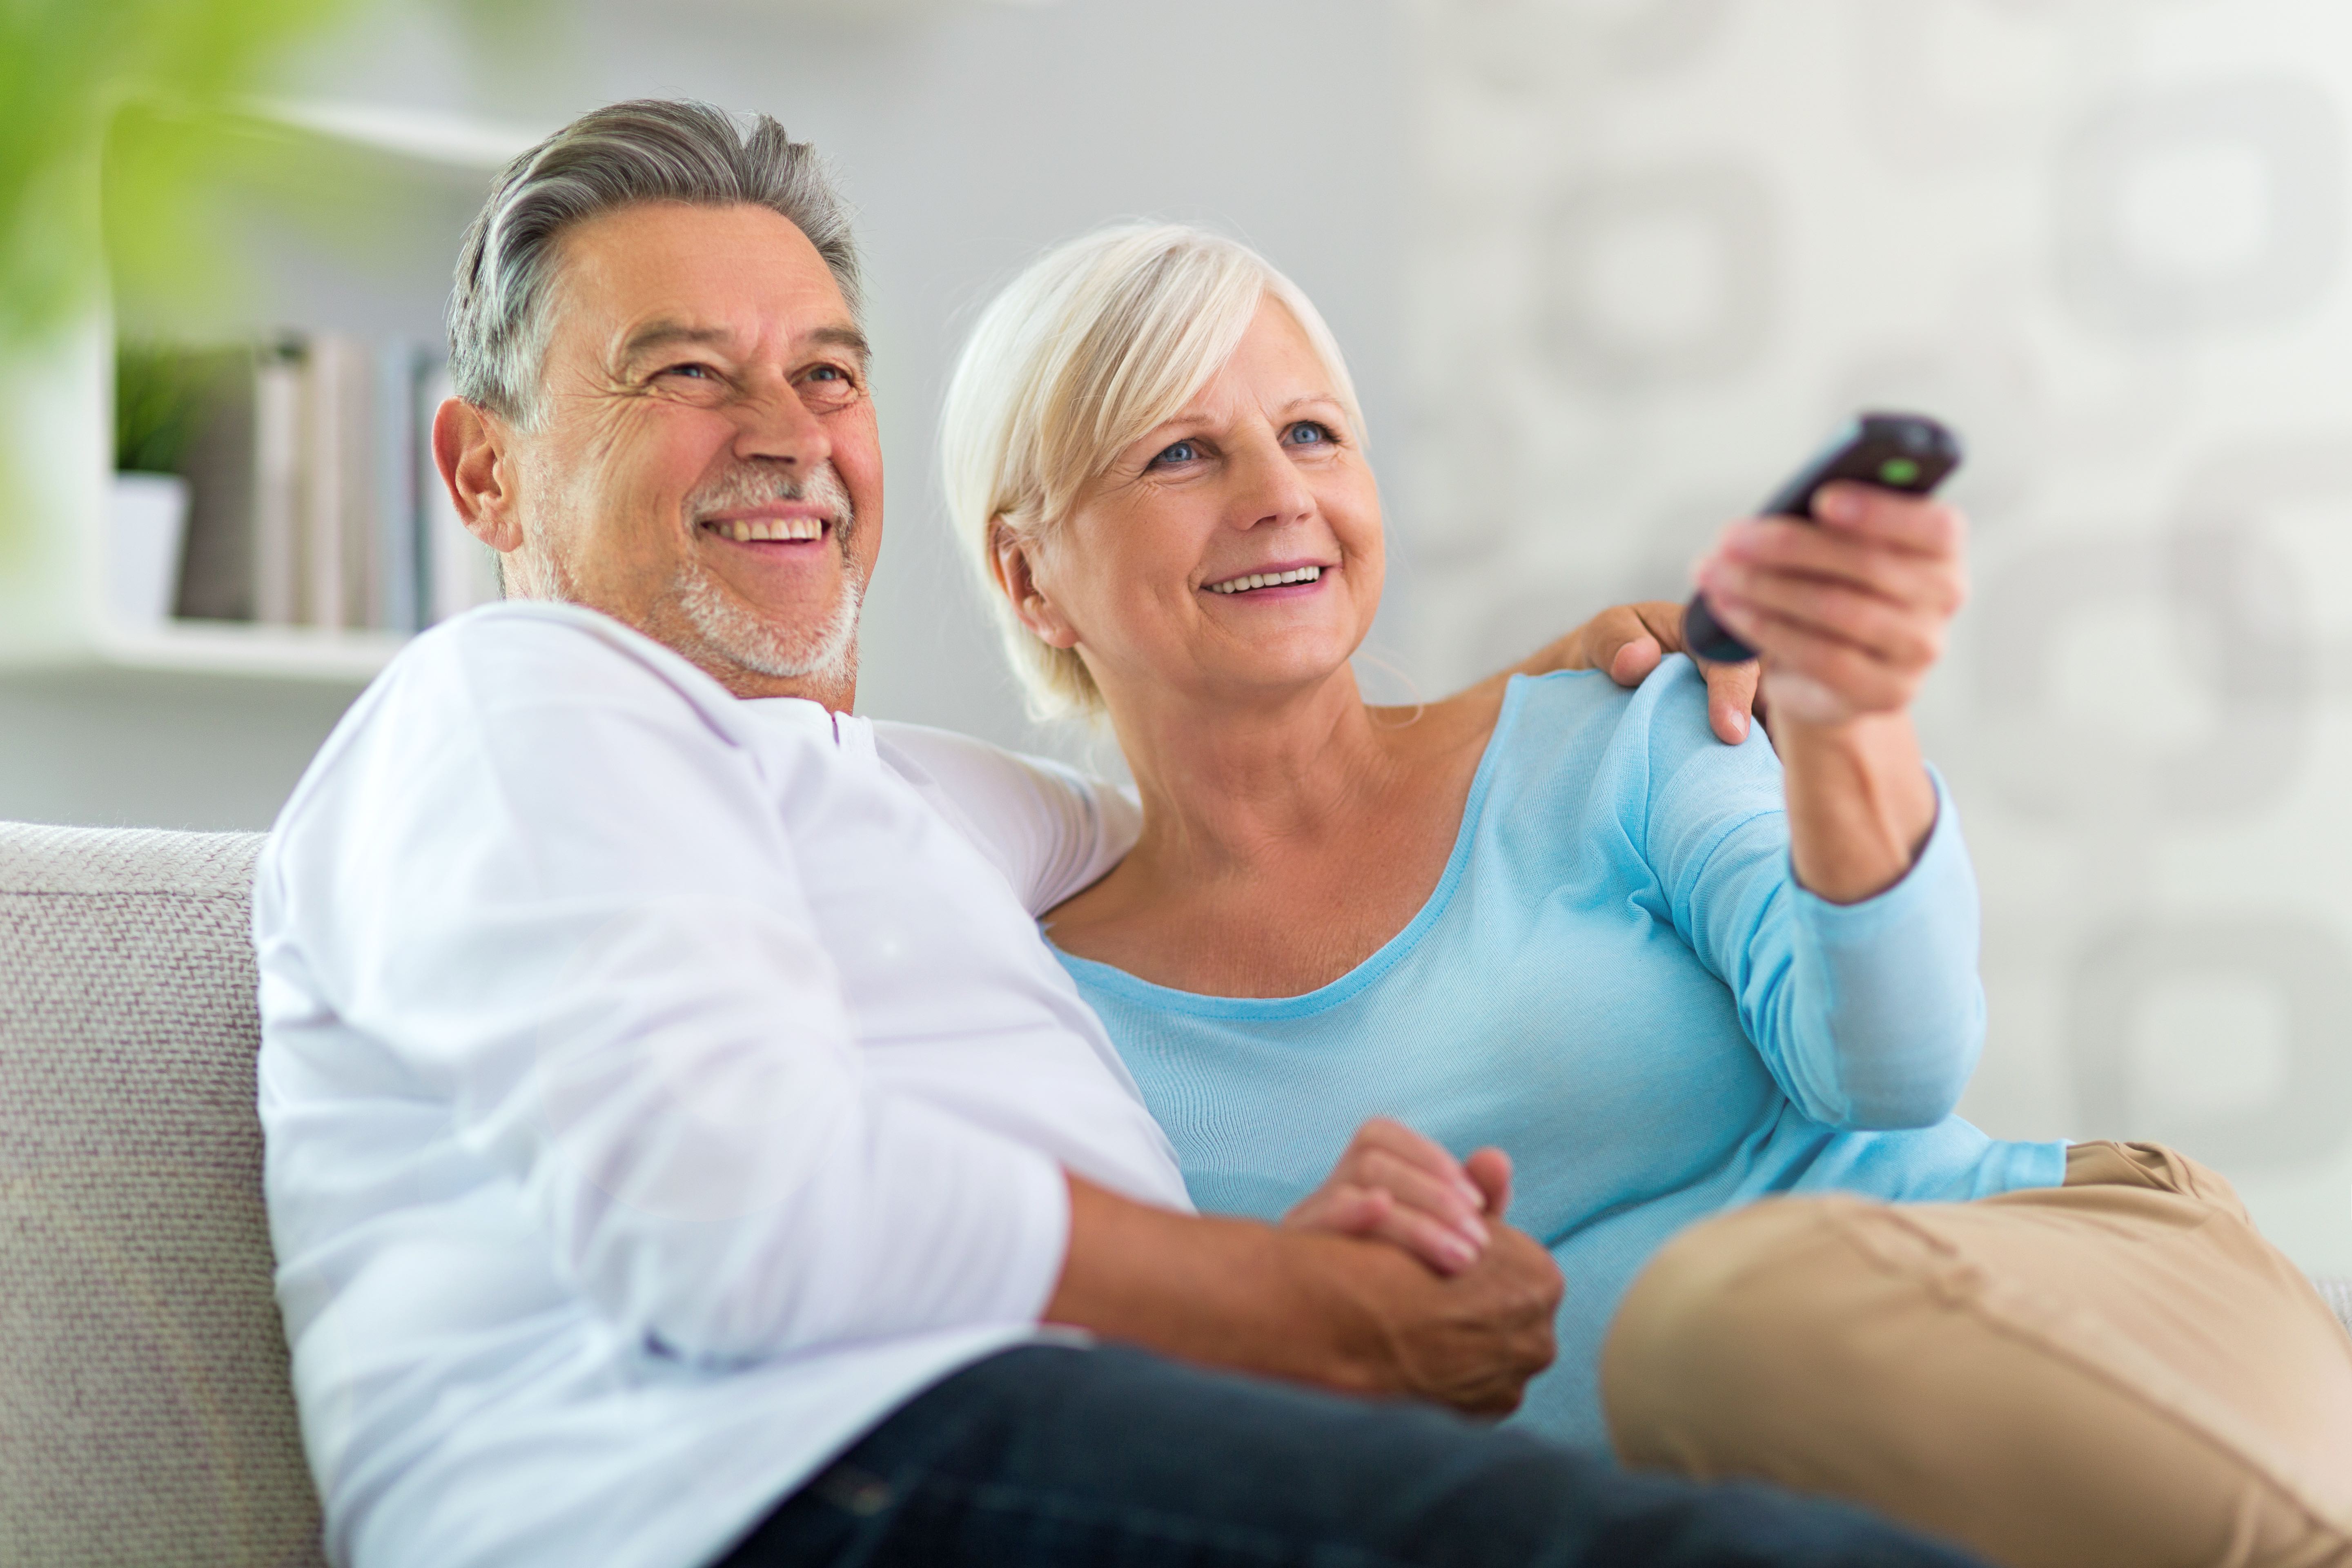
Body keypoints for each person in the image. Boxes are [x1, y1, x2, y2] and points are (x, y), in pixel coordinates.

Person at [252, 100, 1983, 1568]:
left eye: (826, 372)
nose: (785, 433)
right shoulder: (511, 703)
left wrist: (1536, 711)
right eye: (686, 374)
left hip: (1024, 1446)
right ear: (483, 474)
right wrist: (1277, 1301)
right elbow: (731, 1217)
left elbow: (1255, 798)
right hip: (745, 1489)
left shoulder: (915, 802)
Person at [938, 221, 2352, 1568]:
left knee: (1701, 1327)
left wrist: (1851, 725)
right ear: (1029, 575)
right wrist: (1291, 1321)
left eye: (1312, 432)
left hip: (2092, 1308)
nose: (1278, 493)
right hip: (1750, 1536)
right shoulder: (1041, 1020)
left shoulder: (1606, 732)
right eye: (1182, 452)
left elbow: (1898, 1066)